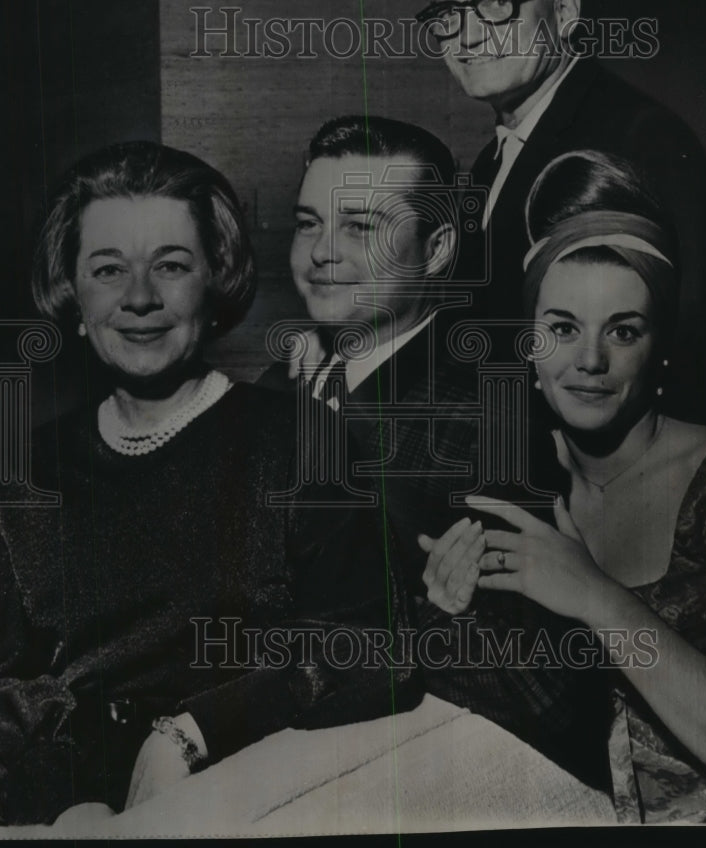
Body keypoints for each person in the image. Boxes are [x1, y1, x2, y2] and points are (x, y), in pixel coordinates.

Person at [0, 141, 418, 827]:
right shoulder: (22, 473)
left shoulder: (300, 441)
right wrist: (72, 804)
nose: (140, 298)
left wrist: (190, 735)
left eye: (171, 266)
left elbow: (372, 648)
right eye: (107, 269)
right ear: (71, 292)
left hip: (257, 800)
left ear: (214, 280)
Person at [434, 149, 706, 821]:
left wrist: (598, 599)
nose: (589, 360)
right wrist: (450, 619)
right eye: (562, 327)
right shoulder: (512, 480)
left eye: (623, 331)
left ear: (661, 348)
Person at [260, 115, 612, 790]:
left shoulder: (488, 415)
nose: (322, 252)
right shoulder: (278, 388)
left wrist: (423, 627)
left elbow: (542, 687)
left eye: (361, 227)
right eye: (308, 223)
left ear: (438, 247)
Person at [416, 0, 706, 435]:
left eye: (495, 4)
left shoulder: (639, 138)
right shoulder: (496, 157)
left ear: (565, 12)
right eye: (447, 14)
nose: (466, 37)